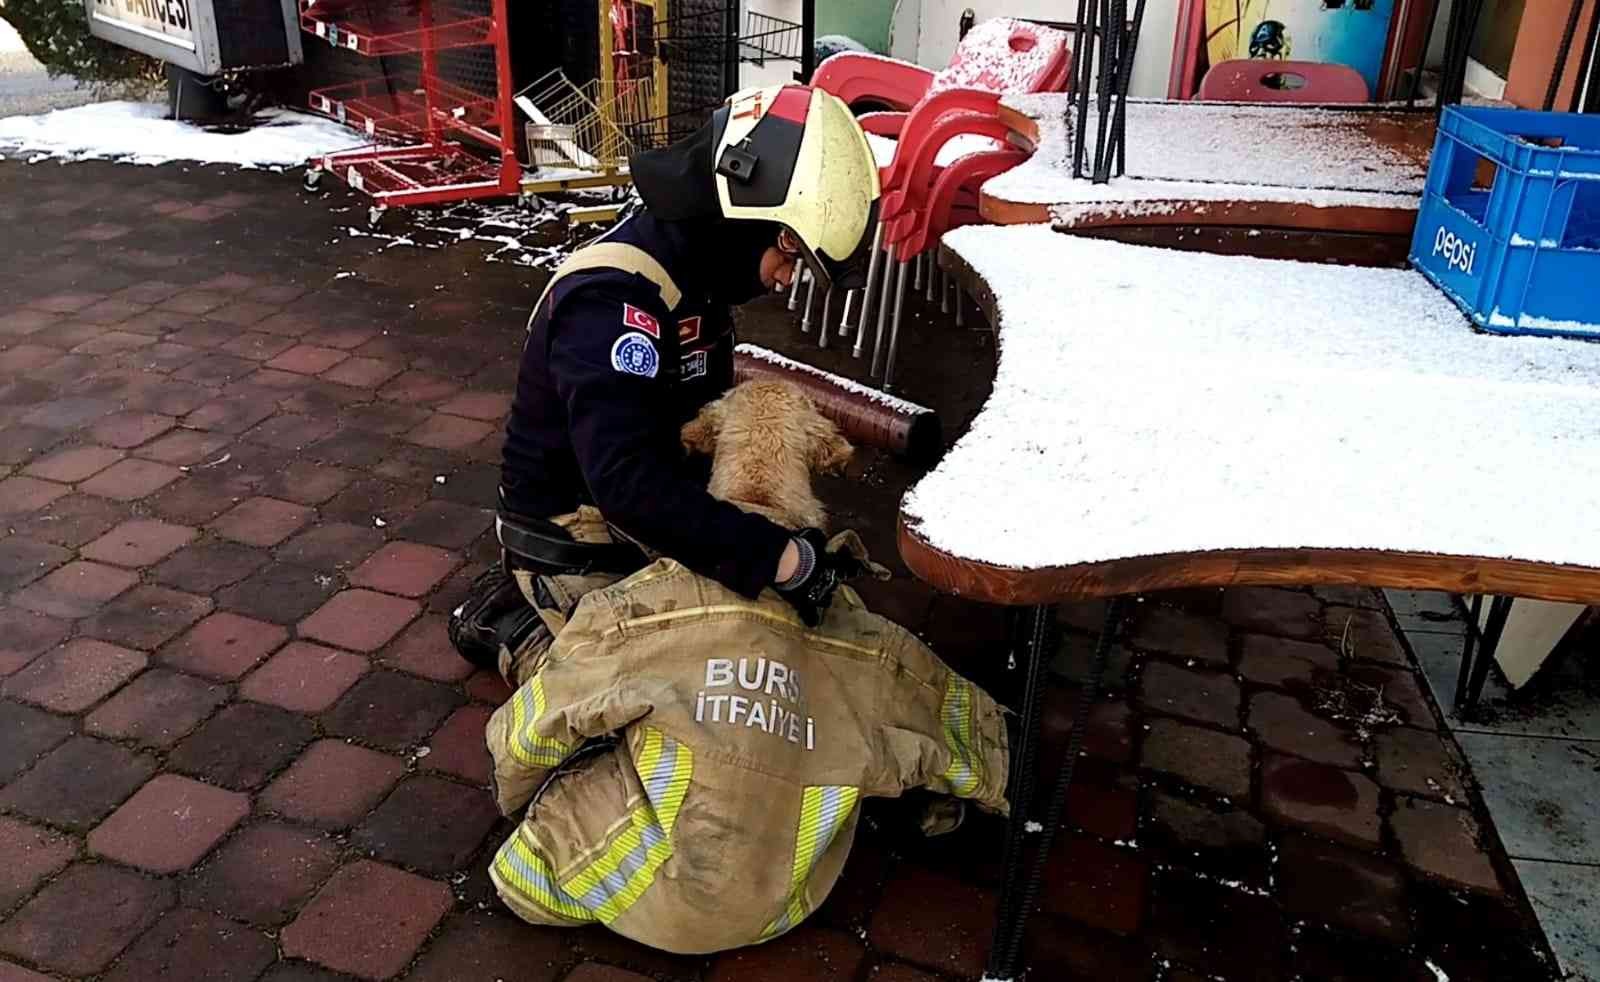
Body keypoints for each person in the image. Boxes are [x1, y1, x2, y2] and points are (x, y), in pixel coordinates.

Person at [449, 82, 882, 677]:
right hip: (583, 534)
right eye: (788, 253)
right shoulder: (613, 303)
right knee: (682, 699)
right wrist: (776, 556)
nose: (787, 279)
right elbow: (628, 485)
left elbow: (681, 440)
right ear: (744, 211)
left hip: (646, 517)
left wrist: (765, 545)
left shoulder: (696, 273)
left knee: (785, 653)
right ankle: (519, 623)